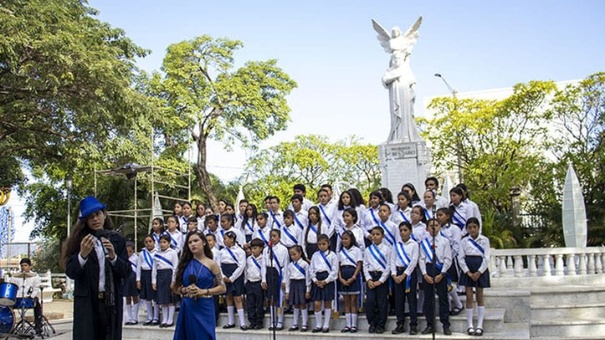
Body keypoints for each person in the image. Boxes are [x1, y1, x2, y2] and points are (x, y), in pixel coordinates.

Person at [64, 196, 131, 340]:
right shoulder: (80, 241)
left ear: (104, 215)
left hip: (111, 301)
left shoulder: (116, 239)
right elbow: (70, 272)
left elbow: (126, 271)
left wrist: (114, 257)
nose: (95, 219)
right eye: (91, 217)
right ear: (85, 221)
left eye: (98, 214)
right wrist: (82, 255)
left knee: (110, 335)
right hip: (88, 301)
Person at [173, 230, 226, 340]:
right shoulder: (184, 263)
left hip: (205, 305)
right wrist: (184, 290)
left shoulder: (212, 264)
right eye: (190, 242)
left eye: (196, 241)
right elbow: (174, 287)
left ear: (204, 243)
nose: (193, 244)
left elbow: (222, 287)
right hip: (188, 306)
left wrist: (204, 291)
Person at [419, 218, 452, 336]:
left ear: (440, 227)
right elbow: (421, 259)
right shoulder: (424, 243)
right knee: (428, 300)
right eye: (431, 226)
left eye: (436, 225)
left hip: (440, 271)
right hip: (428, 271)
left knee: (443, 299)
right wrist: (424, 274)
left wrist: (442, 273)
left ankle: (446, 325)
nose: (433, 228)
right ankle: (430, 324)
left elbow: (448, 258)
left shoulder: (444, 241)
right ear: (427, 228)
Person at [459, 217, 491, 336]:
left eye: (474, 227)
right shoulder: (464, 241)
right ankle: (470, 325)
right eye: (469, 228)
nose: (472, 230)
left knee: (479, 296)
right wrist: (468, 272)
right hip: (468, 268)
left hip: (480, 269)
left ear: (478, 228)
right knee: (468, 297)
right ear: (467, 229)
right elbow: (460, 258)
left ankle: (480, 325)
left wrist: (479, 272)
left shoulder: (484, 240)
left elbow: (486, 257)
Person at [390, 222, 419, 335]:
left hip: (409, 275)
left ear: (410, 231)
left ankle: (413, 325)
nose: (403, 232)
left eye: (405, 230)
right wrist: (394, 274)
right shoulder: (396, 245)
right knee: (399, 300)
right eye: (401, 230)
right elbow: (392, 260)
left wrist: (405, 275)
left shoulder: (414, 244)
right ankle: (400, 323)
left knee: (411, 300)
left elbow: (414, 261)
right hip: (397, 273)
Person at [309, 234, 339, 333]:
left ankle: (326, 325)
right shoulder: (315, 255)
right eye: (320, 244)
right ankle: (318, 325)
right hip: (317, 279)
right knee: (317, 303)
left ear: (328, 243)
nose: (322, 246)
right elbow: (311, 269)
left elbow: (334, 270)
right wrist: (315, 280)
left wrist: (326, 281)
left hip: (328, 280)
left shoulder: (332, 255)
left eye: (324, 244)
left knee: (327, 302)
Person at [363, 226, 390, 334]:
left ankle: (381, 324)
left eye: (377, 234)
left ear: (382, 236)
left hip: (381, 277)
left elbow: (389, 266)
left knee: (381, 302)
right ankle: (372, 323)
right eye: (373, 234)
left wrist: (381, 280)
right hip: (371, 277)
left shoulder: (387, 249)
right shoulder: (368, 250)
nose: (375, 236)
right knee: (370, 302)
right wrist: (368, 279)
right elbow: (365, 265)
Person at [261, 229, 289, 330]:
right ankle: (273, 321)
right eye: (271, 236)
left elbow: (285, 265)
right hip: (269, 272)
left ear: (279, 237)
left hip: (279, 273)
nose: (272, 238)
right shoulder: (266, 249)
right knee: (271, 299)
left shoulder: (283, 249)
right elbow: (263, 265)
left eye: (274, 236)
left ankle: (280, 321)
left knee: (279, 299)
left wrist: (284, 280)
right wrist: (263, 279)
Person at [219, 231, 247, 330]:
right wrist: (223, 276)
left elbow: (241, 265)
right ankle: (231, 321)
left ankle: (242, 322)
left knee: (238, 298)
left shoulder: (240, 251)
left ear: (232, 239)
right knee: (228, 297)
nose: (224, 240)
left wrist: (232, 278)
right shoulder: (222, 251)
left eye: (226, 238)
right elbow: (218, 264)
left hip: (236, 275)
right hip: (225, 274)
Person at [337, 231, 362, 333]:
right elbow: (338, 266)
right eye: (342, 239)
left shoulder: (356, 250)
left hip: (353, 275)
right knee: (346, 301)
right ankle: (348, 324)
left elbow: (359, 264)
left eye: (346, 239)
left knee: (353, 301)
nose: (344, 241)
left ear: (351, 239)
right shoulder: (340, 252)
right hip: (343, 275)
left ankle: (354, 325)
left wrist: (354, 277)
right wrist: (340, 278)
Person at [10, 258, 42, 335]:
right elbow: (12, 287)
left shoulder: (35, 276)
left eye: (25, 265)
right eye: (22, 266)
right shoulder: (15, 276)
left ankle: (38, 326)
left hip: (29, 297)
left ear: (30, 266)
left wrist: (31, 296)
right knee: (7, 306)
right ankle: (10, 327)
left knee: (37, 304)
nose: (23, 267)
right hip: (17, 297)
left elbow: (36, 288)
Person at [152, 234, 179, 328]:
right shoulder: (157, 254)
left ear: (169, 243)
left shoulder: (173, 252)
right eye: (161, 242)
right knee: (162, 299)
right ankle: (164, 319)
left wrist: (173, 280)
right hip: (160, 276)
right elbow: (154, 269)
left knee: (170, 299)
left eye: (164, 242)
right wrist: (153, 281)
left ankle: (170, 319)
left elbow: (175, 267)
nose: (162, 244)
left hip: (169, 275)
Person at [284, 245, 311, 332]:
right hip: (293, 284)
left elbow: (308, 278)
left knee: (303, 304)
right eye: (291, 255)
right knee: (295, 304)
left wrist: (308, 290)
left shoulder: (305, 264)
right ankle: (295, 323)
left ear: (300, 253)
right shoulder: (290, 266)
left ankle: (304, 324)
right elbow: (287, 279)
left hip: (302, 284)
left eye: (294, 254)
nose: (293, 257)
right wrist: (287, 291)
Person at [136, 235, 159, 326]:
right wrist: (138, 280)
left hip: (155, 275)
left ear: (154, 242)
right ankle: (149, 317)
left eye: (150, 241)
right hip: (145, 275)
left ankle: (156, 317)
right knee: (147, 298)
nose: (148, 243)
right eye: (146, 242)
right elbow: (138, 267)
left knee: (155, 297)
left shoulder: (158, 252)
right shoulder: (142, 253)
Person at [244, 238, 265, 330]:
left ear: (261, 248)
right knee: (250, 304)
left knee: (259, 303)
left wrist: (263, 281)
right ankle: (252, 322)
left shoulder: (263, 259)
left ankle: (259, 322)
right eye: (252, 248)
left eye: (255, 248)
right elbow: (246, 270)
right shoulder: (249, 259)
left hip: (258, 283)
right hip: (250, 282)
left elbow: (264, 270)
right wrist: (245, 281)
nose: (253, 250)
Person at [123, 241, 140, 325]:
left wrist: (138, 280)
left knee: (135, 297)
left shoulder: (136, 258)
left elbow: (138, 270)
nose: (128, 253)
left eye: (130, 251)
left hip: (133, 279)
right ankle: (129, 317)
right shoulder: (124, 258)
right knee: (128, 298)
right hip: (126, 279)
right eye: (127, 251)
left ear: (133, 250)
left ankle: (135, 317)